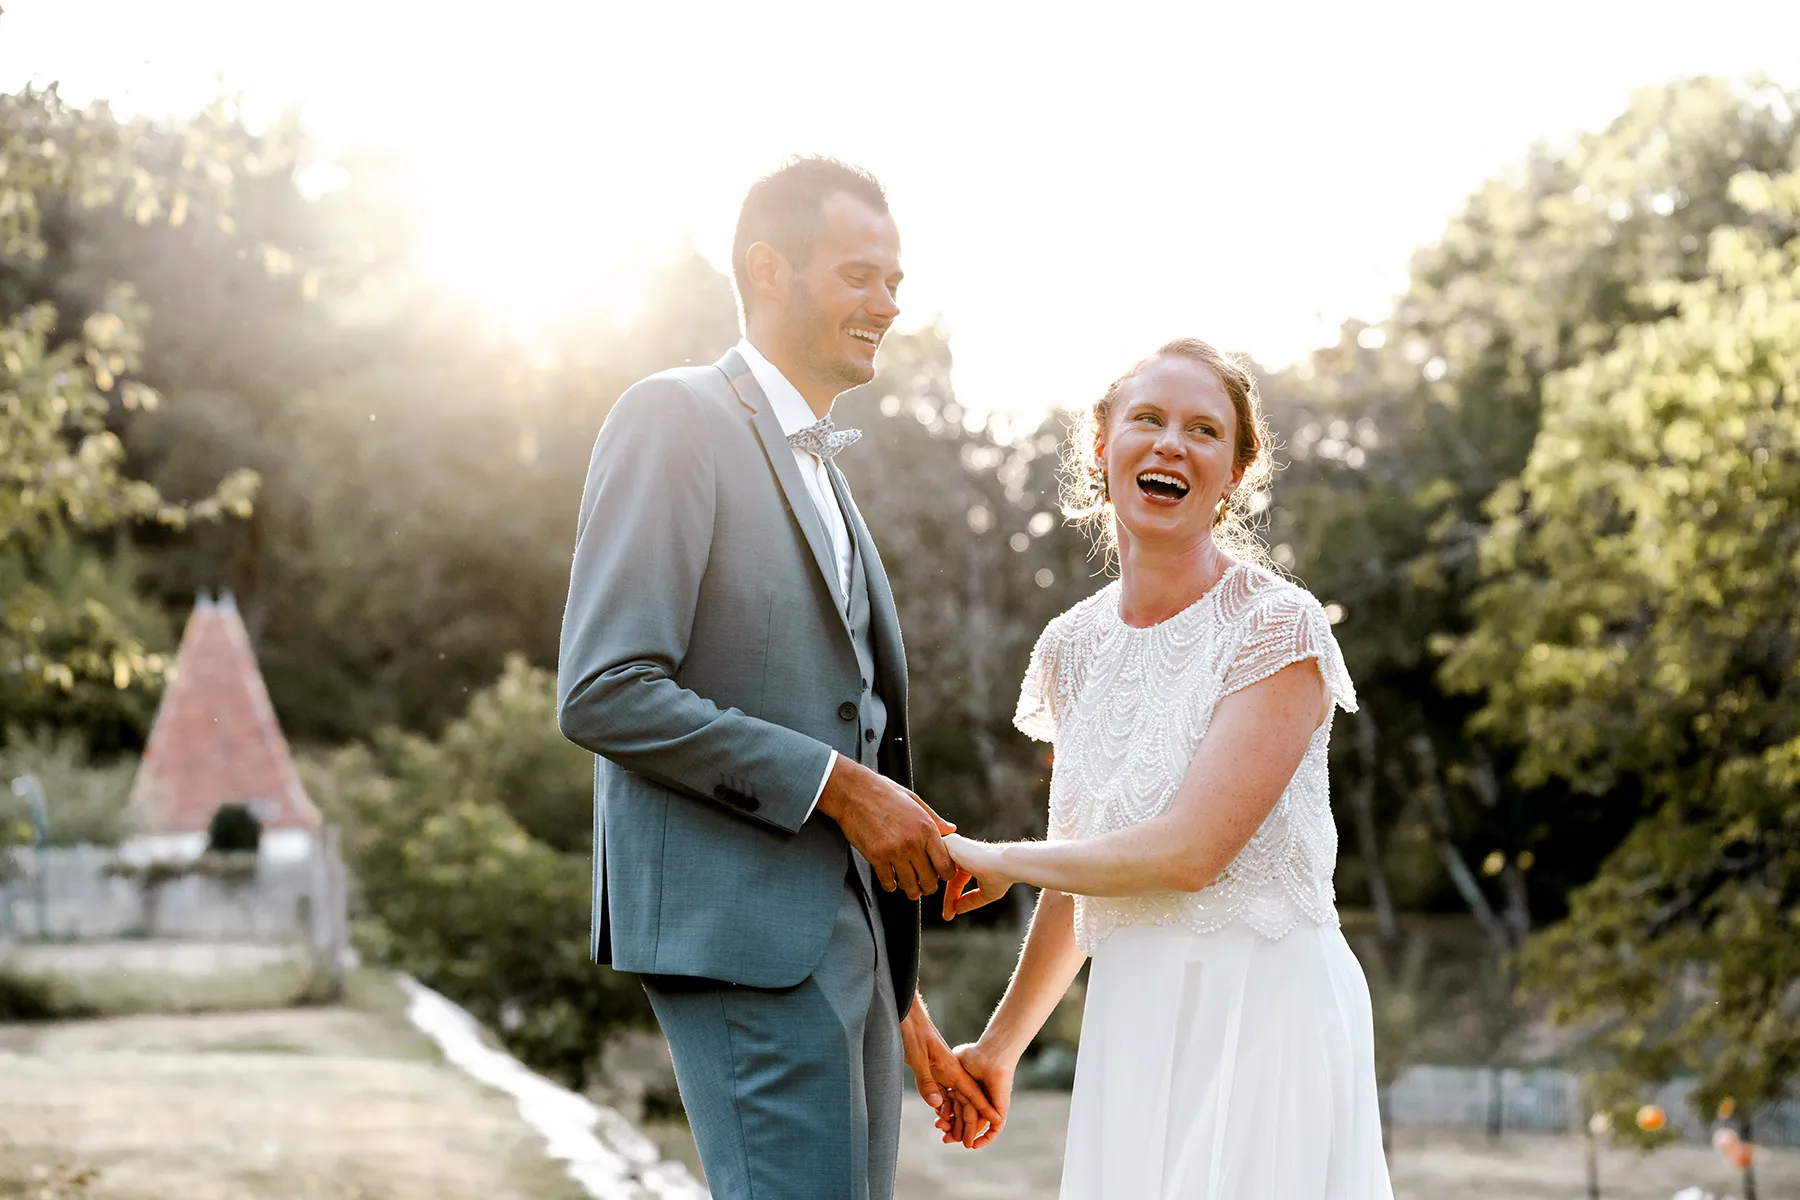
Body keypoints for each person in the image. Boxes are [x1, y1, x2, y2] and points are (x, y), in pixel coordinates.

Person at [556, 156, 997, 1199]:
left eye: (895, 280)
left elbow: (842, 713)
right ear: (768, 270)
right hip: (742, 937)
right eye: (859, 275)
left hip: (849, 949)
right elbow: (605, 688)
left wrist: (900, 1000)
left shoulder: (825, 472)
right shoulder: (673, 416)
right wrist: (842, 788)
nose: (888, 304)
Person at [939, 338, 1396, 1198]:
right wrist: (998, 1050)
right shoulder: (1072, 647)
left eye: (1203, 430)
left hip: (1267, 1015)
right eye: (1147, 419)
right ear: (1100, 447)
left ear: (1235, 473)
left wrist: (999, 859)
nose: (1171, 444)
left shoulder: (1278, 626)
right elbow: (1080, 872)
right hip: (1134, 1023)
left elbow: (1190, 854)